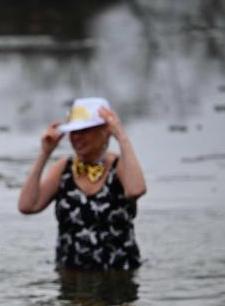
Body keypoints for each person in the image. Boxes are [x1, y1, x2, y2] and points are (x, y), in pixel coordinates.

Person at [18, 97, 146, 270]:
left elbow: (136, 189)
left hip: (118, 279)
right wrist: (45, 153)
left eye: (85, 131)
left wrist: (122, 137)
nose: (77, 137)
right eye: (73, 131)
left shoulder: (119, 166)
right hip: (71, 280)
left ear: (106, 131)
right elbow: (27, 206)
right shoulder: (63, 168)